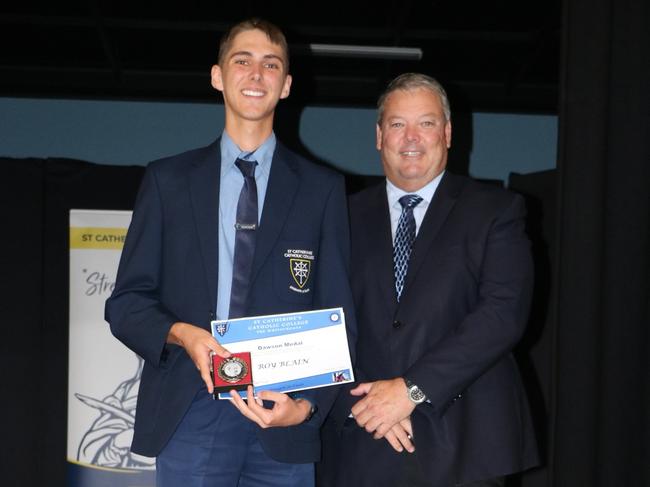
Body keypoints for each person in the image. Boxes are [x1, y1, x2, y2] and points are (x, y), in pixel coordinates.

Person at [105, 18, 355, 487]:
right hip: (192, 406)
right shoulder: (168, 182)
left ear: (286, 86)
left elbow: (339, 315)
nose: (256, 75)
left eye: (271, 65)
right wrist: (185, 335)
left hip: (281, 412)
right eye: (242, 61)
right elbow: (126, 305)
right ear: (218, 76)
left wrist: (306, 407)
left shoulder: (322, 190)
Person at [322, 73, 538, 487]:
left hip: (465, 448)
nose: (412, 138)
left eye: (426, 123)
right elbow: (321, 314)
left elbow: (502, 315)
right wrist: (361, 408)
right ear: (379, 136)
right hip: (361, 443)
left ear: (448, 132)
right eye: (398, 124)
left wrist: (411, 390)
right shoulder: (340, 217)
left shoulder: (496, 210)